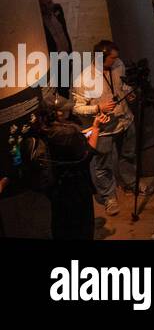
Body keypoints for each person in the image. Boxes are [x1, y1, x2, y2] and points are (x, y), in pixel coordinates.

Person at [70, 41, 135, 216]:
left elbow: (122, 85)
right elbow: (77, 108)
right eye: (112, 58)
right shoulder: (83, 79)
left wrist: (129, 92)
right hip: (105, 129)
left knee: (128, 155)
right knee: (102, 165)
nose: (117, 60)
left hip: (125, 121)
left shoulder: (118, 64)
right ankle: (109, 196)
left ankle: (130, 183)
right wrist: (98, 108)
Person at [35, 95, 95, 239]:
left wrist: (82, 134)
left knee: (62, 222)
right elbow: (87, 155)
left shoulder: (43, 128)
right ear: (55, 113)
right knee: (82, 223)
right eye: (64, 110)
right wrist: (97, 128)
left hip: (56, 186)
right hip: (74, 185)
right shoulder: (67, 133)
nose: (68, 111)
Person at [38, 0, 73, 96]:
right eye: (43, 5)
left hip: (66, 54)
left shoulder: (58, 9)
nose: (47, 7)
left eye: (49, 3)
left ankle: (66, 105)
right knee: (57, 88)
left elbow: (64, 30)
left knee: (66, 85)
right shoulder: (38, 19)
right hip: (54, 59)